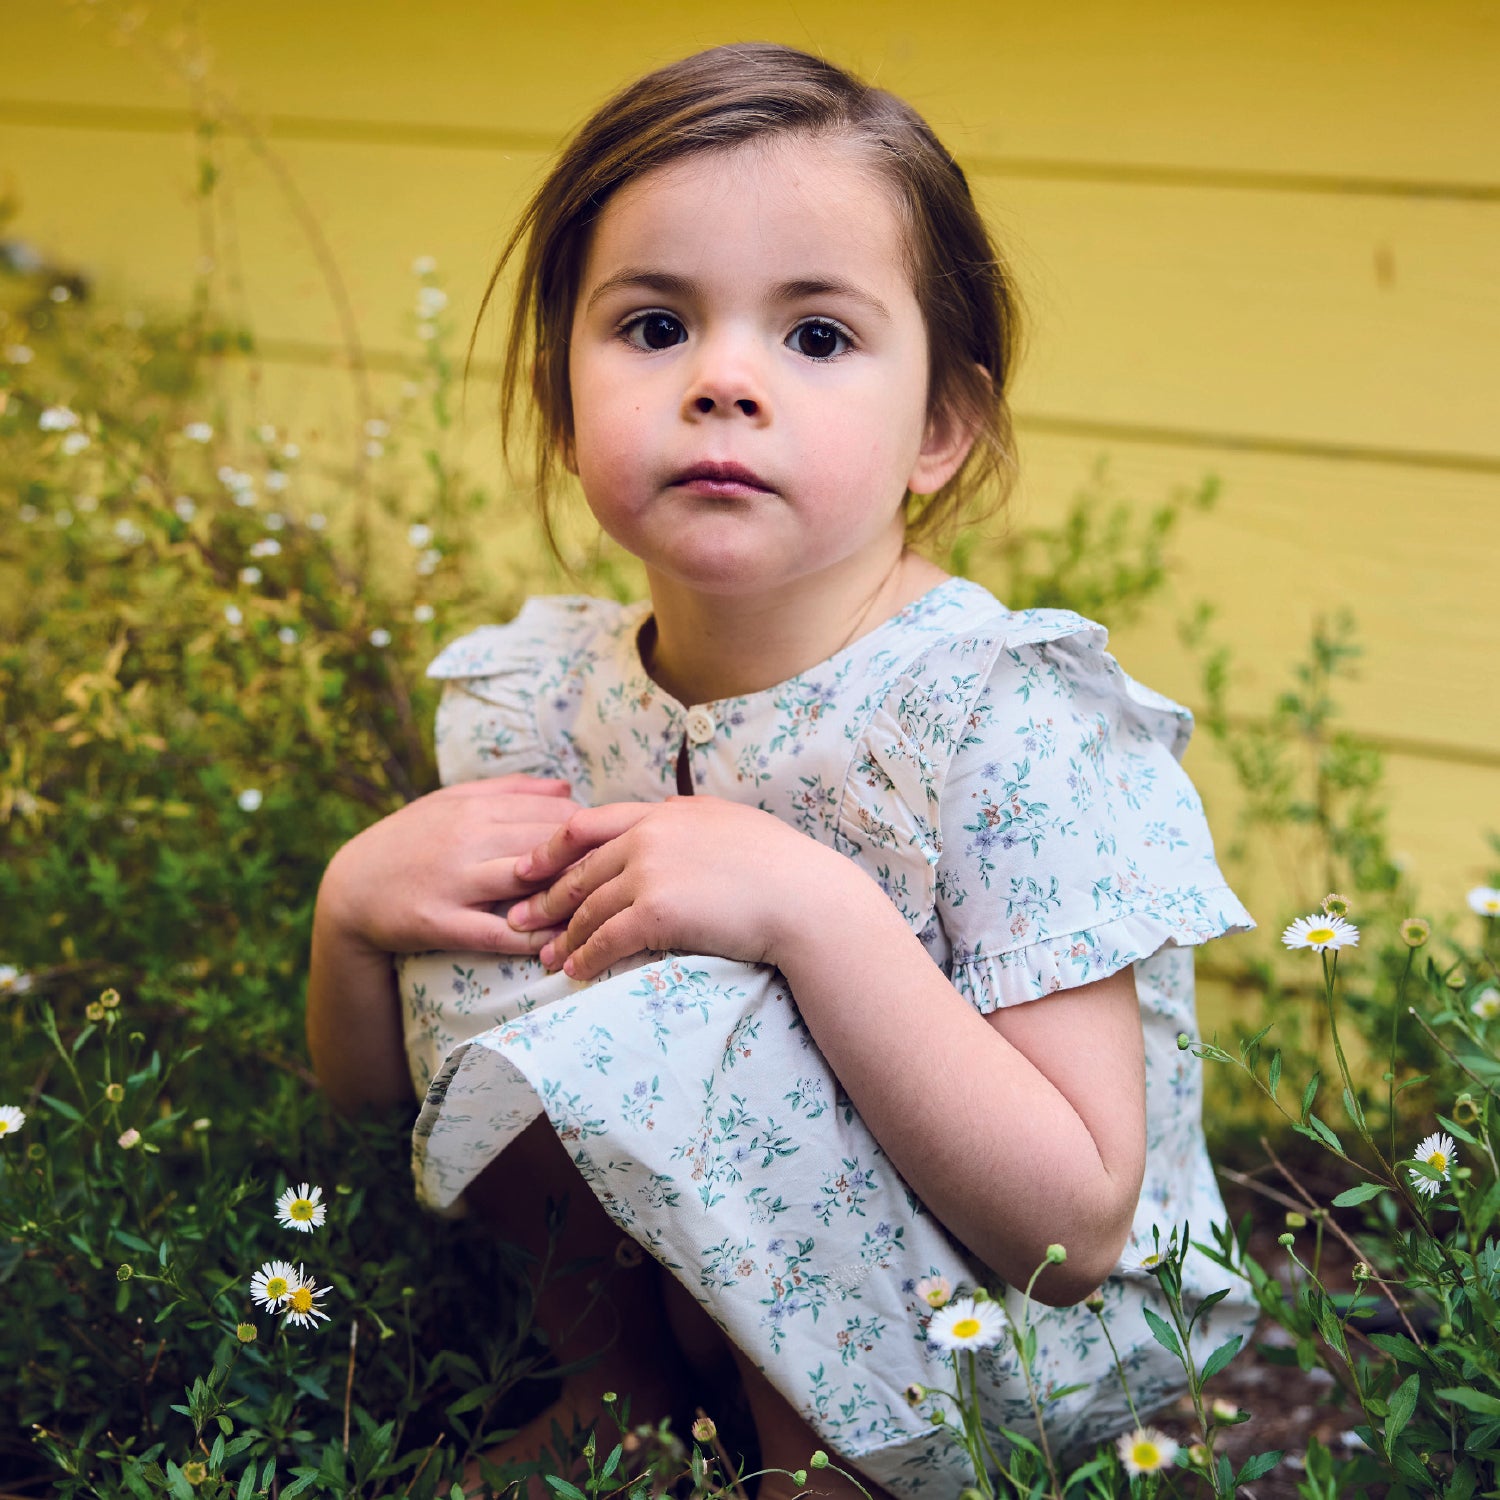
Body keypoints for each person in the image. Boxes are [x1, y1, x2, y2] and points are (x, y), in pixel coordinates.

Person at [306, 42, 1256, 1500]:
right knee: (481, 902)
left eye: (816, 338)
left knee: (697, 992)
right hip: (721, 1275)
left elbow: (1074, 1235)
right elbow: (386, 1101)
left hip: (1003, 1331)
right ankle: (617, 1395)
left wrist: (811, 911)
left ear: (940, 428)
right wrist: (351, 915)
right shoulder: (549, 696)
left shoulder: (998, 718)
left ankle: (822, 1468)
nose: (725, 381)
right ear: (564, 401)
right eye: (653, 325)